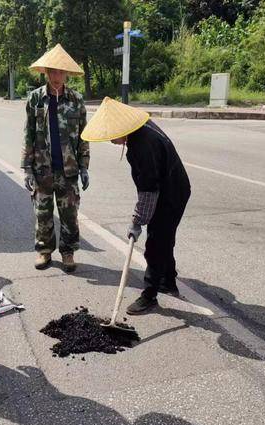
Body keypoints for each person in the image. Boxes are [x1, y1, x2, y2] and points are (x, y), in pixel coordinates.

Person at [81, 97, 191, 315]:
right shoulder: (140, 130)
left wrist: (137, 222)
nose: (110, 140)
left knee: (156, 244)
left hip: (171, 194)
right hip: (170, 187)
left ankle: (149, 295)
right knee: (165, 237)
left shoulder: (142, 144)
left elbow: (148, 190)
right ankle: (168, 281)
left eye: (112, 135)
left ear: (122, 127)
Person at [22, 44, 90, 272]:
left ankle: (68, 252)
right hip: (42, 169)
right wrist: (27, 168)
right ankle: (44, 251)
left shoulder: (76, 100)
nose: (57, 76)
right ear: (47, 72)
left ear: (67, 74)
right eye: (53, 71)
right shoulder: (35, 100)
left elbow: (84, 136)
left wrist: (84, 166)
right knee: (43, 213)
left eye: (61, 72)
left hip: (68, 170)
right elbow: (28, 134)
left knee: (69, 213)